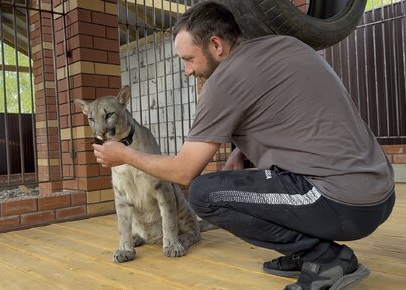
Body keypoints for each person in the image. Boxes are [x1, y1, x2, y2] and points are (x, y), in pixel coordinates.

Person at [92, 1, 395, 289]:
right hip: (380, 191)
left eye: (188, 59)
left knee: (205, 194)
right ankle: (304, 253)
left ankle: (325, 258)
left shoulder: (225, 80)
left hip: (344, 201)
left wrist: (125, 154)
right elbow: (294, 114)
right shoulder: (283, 45)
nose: (187, 71)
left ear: (216, 45)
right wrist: (240, 150)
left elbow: (184, 172)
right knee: (242, 183)